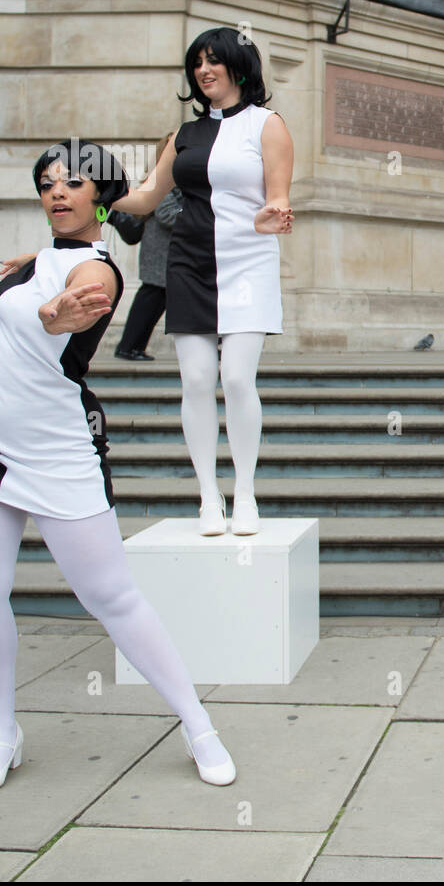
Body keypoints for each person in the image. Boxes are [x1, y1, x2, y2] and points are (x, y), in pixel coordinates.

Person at [0, 139, 235, 793]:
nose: (57, 190)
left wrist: (56, 312)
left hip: (57, 448)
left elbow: (74, 296)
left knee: (111, 595)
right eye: (47, 181)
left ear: (99, 195)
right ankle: (2, 732)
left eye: (72, 182)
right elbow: (47, 277)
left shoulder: (98, 270)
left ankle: (197, 723)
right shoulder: (40, 259)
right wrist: (35, 279)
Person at [113, 28, 294, 535]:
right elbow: (148, 197)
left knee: (236, 379)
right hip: (189, 261)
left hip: (247, 261)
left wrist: (274, 215)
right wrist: (99, 196)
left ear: (239, 68)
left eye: (214, 61)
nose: (203, 70)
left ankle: (246, 494)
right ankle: (208, 497)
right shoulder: (183, 135)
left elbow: (278, 197)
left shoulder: (268, 125)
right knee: (195, 380)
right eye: (197, 62)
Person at [113, 133, 182, 360]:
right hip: (160, 248)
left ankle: (132, 347)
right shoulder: (164, 177)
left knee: (154, 299)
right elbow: (165, 214)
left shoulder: (173, 176)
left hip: (165, 249)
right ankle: (128, 347)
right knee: (150, 298)